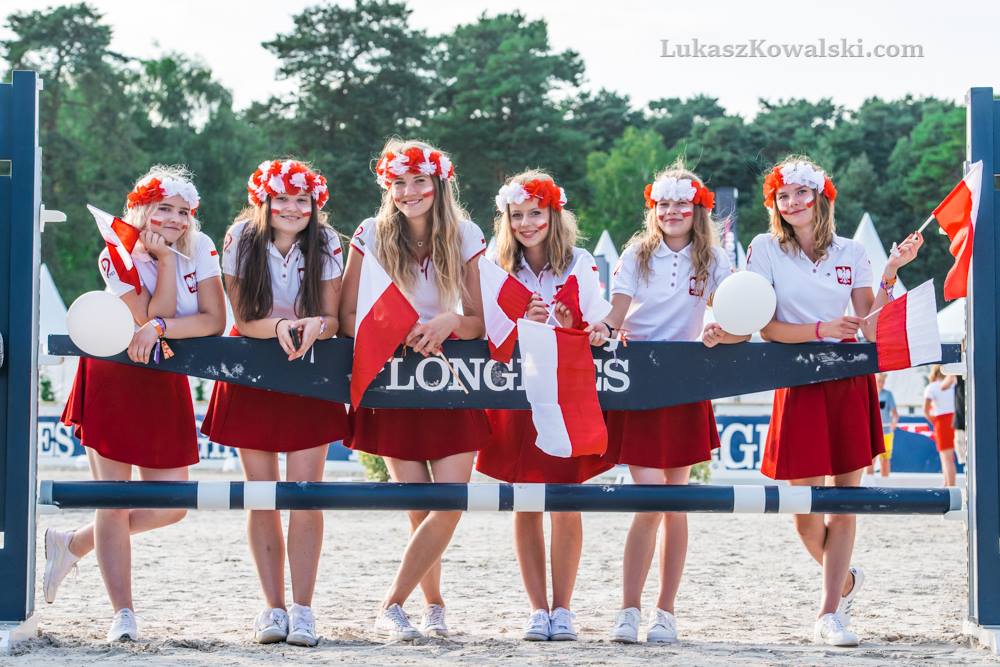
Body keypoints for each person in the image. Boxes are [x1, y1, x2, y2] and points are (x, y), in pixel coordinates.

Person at [745, 156, 922, 646]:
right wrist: (822, 328)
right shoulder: (764, 247)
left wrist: (890, 272)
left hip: (848, 381)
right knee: (802, 512)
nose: (792, 202)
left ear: (820, 197)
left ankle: (829, 613)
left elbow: (871, 326)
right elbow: (767, 328)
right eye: (783, 196)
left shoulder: (853, 250)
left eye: (801, 193)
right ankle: (842, 583)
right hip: (797, 380)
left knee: (844, 505)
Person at [48, 166, 226, 642]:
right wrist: (164, 264)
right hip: (115, 372)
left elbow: (212, 320)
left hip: (163, 374)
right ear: (142, 209)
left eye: (183, 211)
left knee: (172, 503)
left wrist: (163, 324)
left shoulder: (201, 245)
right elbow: (148, 314)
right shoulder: (117, 251)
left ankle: (72, 543)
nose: (175, 220)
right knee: (114, 497)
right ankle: (122, 614)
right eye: (164, 208)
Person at [339, 139, 488, 641]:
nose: (409, 191)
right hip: (394, 382)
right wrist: (394, 328)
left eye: (419, 180)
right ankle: (434, 605)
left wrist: (450, 320)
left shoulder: (465, 233)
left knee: (451, 502)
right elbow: (347, 316)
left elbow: (480, 321)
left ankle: (391, 604)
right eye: (398, 182)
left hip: (453, 380)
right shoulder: (370, 233)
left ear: (438, 183)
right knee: (419, 508)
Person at [592, 161, 744, 644]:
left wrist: (721, 333)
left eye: (681, 203)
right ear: (652, 209)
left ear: (698, 209)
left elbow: (736, 322)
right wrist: (601, 328)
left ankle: (666, 612)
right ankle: (628, 609)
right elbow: (616, 314)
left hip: (686, 381)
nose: (672, 211)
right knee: (650, 500)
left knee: (675, 504)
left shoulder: (714, 258)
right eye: (663, 203)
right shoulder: (637, 253)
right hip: (641, 380)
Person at [201, 159, 347, 646]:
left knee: (306, 494)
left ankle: (303, 609)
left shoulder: (327, 241)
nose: (292, 208)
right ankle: (273, 607)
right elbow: (244, 318)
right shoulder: (241, 237)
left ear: (314, 204)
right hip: (253, 370)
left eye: (302, 200)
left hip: (310, 373)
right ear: (263, 200)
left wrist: (315, 326)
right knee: (261, 493)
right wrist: (282, 326)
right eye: (281, 198)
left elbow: (332, 318)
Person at [476, 170, 613, 641]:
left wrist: (579, 326)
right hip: (516, 394)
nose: (526, 223)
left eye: (535, 213)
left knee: (566, 503)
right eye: (516, 215)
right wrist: (521, 321)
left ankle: (564, 608)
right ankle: (537, 608)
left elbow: (599, 325)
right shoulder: (495, 265)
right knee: (526, 503)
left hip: (565, 394)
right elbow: (486, 332)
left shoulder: (579, 262)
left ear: (554, 214)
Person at [923, 365, 957, 487]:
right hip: (955, 419)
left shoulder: (931, 387)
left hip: (941, 421)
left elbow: (926, 410)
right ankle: (947, 483)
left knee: (946, 457)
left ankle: (950, 486)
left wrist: (934, 422)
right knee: (949, 457)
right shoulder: (953, 384)